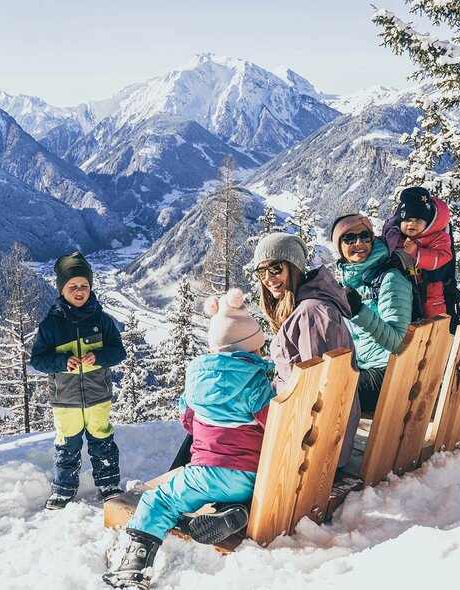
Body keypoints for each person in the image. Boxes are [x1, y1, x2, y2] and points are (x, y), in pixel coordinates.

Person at [103, 288, 273, 590]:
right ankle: (232, 512)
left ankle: (135, 565)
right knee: (232, 487)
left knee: (159, 500)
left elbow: (188, 423)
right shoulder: (256, 384)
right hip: (250, 476)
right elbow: (272, 423)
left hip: (205, 473)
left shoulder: (196, 384)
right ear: (250, 350)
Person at [251, 233, 359, 466]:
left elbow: (318, 391)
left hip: (312, 446)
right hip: (310, 434)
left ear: (294, 266)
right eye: (262, 272)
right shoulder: (305, 308)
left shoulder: (311, 313)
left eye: (276, 268)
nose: (269, 278)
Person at [30, 252, 126, 510]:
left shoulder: (102, 321)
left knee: (102, 442)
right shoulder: (50, 326)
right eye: (73, 286)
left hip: (98, 396)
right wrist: (62, 362)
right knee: (67, 446)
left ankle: (109, 485)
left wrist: (100, 357)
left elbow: (119, 351)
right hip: (65, 400)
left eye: (84, 285)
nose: (79, 290)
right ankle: (63, 489)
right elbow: (38, 360)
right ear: (62, 290)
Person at [331, 214, 413, 413]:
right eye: (349, 238)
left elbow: (399, 343)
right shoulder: (348, 282)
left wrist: (360, 311)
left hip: (391, 371)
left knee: (332, 396)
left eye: (365, 236)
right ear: (339, 246)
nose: (359, 243)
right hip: (365, 368)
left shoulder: (389, 278)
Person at [382, 186, 454, 319]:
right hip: (403, 285)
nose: (412, 224)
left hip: (430, 288)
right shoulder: (395, 235)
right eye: (407, 220)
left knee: (434, 318)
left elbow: (443, 256)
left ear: (427, 223)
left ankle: (440, 335)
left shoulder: (436, 236)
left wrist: (417, 253)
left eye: (418, 221)